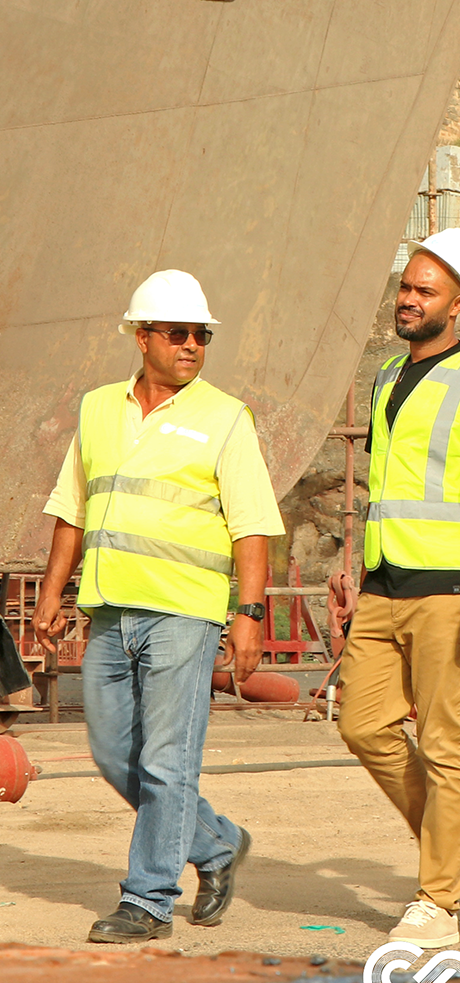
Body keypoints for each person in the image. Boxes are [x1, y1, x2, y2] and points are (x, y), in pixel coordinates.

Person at [34, 270, 284, 943]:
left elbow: (251, 526)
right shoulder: (95, 410)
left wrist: (249, 615)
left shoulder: (224, 417)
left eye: (200, 335)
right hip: (110, 612)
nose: (192, 345)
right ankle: (218, 842)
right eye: (177, 333)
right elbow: (72, 509)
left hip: (184, 615)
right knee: (117, 754)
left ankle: (147, 899)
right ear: (141, 336)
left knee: (167, 761)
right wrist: (54, 594)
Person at [336, 229, 460, 948]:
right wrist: (355, 571)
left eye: (425, 292)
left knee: (446, 744)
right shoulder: (386, 376)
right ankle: (454, 846)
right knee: (363, 726)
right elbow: (386, 488)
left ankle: (438, 905)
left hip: (449, 589)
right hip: (383, 583)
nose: (408, 300)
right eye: (406, 287)